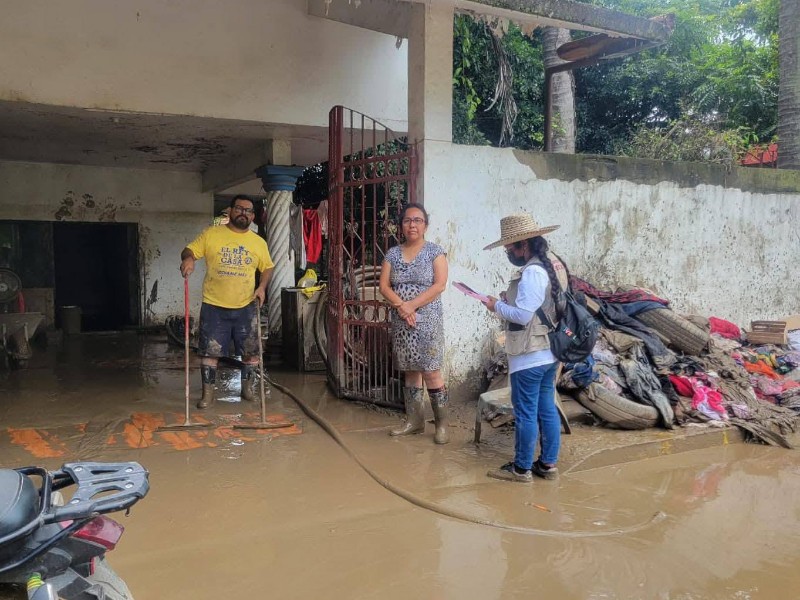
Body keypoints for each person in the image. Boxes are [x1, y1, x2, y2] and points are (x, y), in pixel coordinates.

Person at [481, 213, 569, 482]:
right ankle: (548, 465)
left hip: (530, 354)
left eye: (510, 248)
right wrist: (510, 300)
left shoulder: (532, 271)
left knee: (526, 413)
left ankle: (521, 469)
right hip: (549, 352)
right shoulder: (553, 264)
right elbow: (540, 305)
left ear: (525, 245)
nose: (509, 253)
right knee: (546, 409)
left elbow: (522, 316)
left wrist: (496, 305)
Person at [180, 195, 274, 409]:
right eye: (240, 209)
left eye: (249, 211)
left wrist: (262, 286)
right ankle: (207, 395)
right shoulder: (211, 234)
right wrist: (188, 259)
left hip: (246, 306)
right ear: (230, 211)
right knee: (209, 352)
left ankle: (247, 389)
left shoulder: (258, 242)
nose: (244, 213)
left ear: (252, 216)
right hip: (214, 305)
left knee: (250, 352)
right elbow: (190, 250)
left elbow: (268, 267)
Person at [378, 203, 450, 444]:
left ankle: (441, 426)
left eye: (418, 220)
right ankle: (414, 422)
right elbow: (384, 286)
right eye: (408, 220)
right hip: (402, 321)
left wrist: (412, 305)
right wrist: (402, 306)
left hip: (427, 320)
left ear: (425, 226)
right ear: (401, 225)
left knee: (431, 370)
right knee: (410, 370)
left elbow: (439, 285)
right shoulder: (392, 254)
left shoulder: (435, 252)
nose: (412, 225)